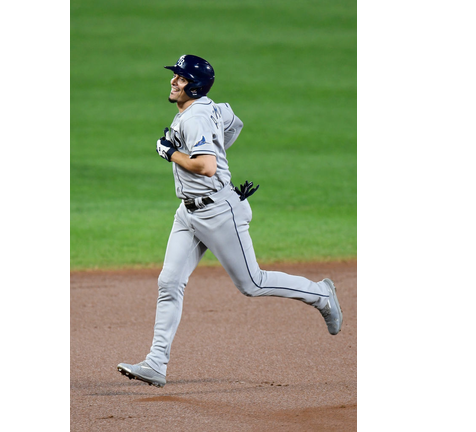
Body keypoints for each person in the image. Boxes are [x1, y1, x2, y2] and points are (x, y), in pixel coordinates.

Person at [117, 55, 342, 388]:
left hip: (219, 213)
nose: (173, 81)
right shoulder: (213, 107)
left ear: (193, 85)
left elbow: (206, 167)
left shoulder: (193, 119)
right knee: (169, 283)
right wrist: (217, 156)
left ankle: (321, 294)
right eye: (175, 76)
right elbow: (233, 124)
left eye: (180, 78)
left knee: (253, 283)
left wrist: (172, 154)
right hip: (189, 213)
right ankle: (156, 363)